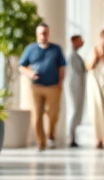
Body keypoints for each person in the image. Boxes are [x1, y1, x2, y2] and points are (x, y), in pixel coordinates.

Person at [18, 23, 67, 151]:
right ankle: (41, 142)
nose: (43, 35)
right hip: (36, 87)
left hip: (53, 86)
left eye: (45, 33)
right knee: (37, 115)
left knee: (53, 113)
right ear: (37, 34)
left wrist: (61, 82)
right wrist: (30, 74)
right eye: (41, 33)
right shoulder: (30, 49)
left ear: (48, 33)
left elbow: (62, 66)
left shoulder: (56, 49)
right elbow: (21, 66)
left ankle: (51, 133)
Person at [67, 35, 87, 147]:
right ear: (74, 41)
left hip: (78, 86)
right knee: (74, 110)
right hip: (74, 86)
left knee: (76, 110)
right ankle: (71, 137)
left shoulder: (76, 55)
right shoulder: (72, 56)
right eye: (80, 40)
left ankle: (73, 136)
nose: (82, 42)